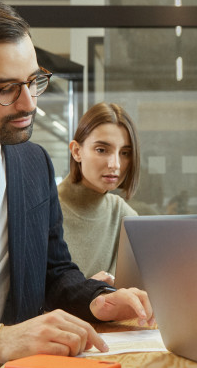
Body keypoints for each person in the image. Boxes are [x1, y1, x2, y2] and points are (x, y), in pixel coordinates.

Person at [0, 0, 154, 368]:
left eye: (34, 81)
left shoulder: (31, 162)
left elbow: (54, 271)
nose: (29, 104)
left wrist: (98, 299)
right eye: (5, 89)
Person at [58, 102, 139, 285]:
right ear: (77, 151)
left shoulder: (125, 216)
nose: (115, 164)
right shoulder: (46, 209)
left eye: (125, 153)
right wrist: (86, 291)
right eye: (102, 150)